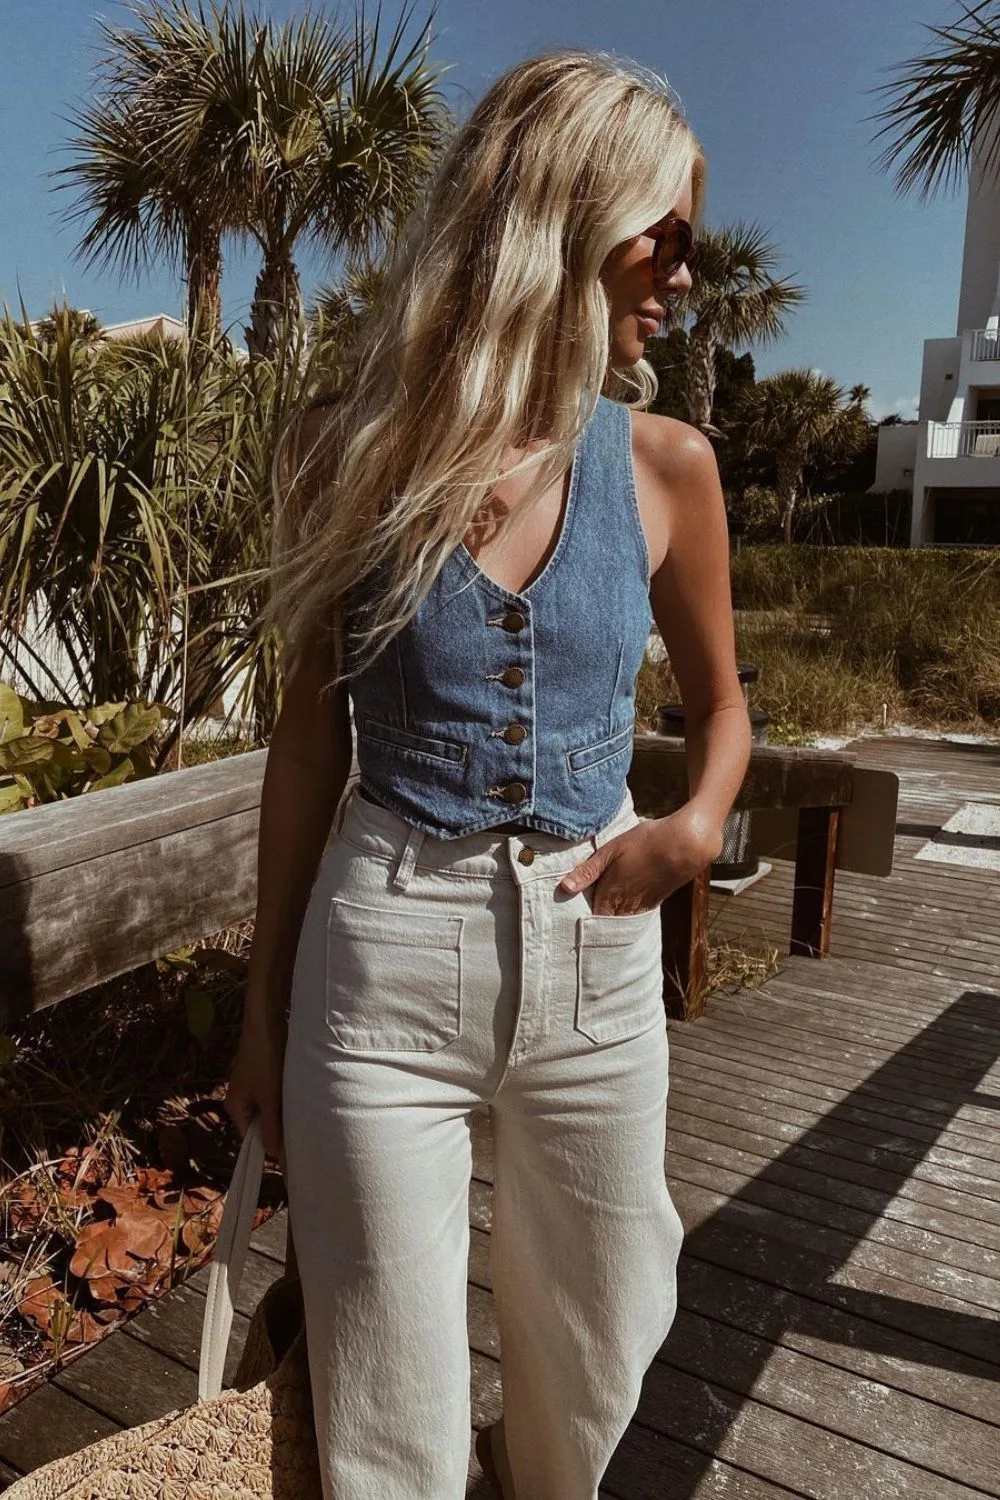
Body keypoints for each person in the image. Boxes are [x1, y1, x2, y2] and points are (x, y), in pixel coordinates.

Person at [224, 46, 751, 1500]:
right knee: (385, 1405)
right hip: (382, 958)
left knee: (595, 1365)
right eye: (671, 235)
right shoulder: (343, 449)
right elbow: (304, 739)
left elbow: (726, 709)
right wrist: (262, 1008)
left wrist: (698, 823)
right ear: (568, 220)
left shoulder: (665, 467)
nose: (687, 277)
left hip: (595, 965)